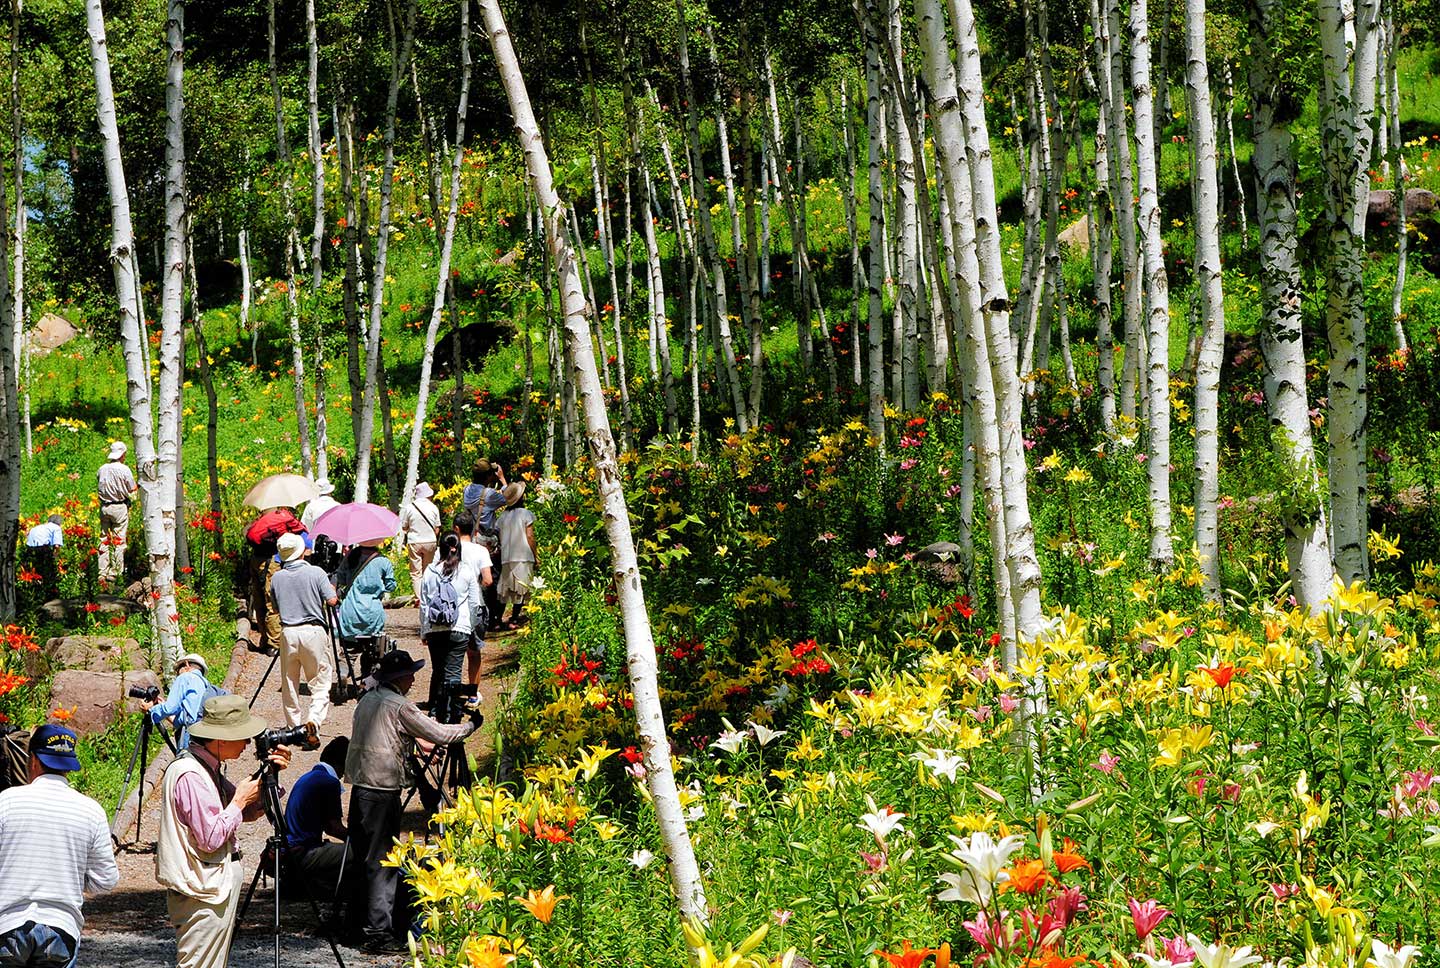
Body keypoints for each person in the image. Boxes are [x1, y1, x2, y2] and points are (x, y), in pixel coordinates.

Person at [345, 650, 476, 953]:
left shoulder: (368, 699)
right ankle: (378, 932)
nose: (414, 679)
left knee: (362, 856)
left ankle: (354, 924)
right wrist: (470, 726)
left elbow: (390, 738)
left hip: (361, 787)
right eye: (410, 674)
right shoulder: (398, 705)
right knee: (383, 861)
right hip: (381, 791)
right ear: (399, 678)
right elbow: (441, 734)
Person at [157, 696, 292, 968]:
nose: (246, 744)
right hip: (202, 892)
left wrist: (270, 777)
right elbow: (210, 838)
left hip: (209, 888)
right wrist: (240, 799)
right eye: (242, 736)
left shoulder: (206, 767)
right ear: (220, 739)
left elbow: (248, 814)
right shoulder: (191, 774)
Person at [0, 725, 118, 968]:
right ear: (69, 765)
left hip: (8, 925)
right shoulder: (90, 810)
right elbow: (106, 879)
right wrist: (71, 874)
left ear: (33, 760)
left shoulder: (6, 802)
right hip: (60, 925)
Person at [270, 533, 339, 729]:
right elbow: (331, 601)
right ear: (302, 552)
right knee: (320, 680)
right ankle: (313, 720)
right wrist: (332, 589)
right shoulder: (316, 573)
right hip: (313, 630)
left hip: (288, 632)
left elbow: (275, 609)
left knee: (289, 681)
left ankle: (293, 726)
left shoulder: (276, 578)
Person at [418, 534, 481, 718]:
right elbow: (474, 603)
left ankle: (437, 710)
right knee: (454, 672)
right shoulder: (466, 571)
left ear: (440, 548)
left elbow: (424, 604)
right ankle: (452, 712)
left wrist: (424, 630)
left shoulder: (429, 572)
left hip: (434, 629)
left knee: (438, 670)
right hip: (459, 628)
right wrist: (470, 627)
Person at [282, 737, 352, 903]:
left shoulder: (309, 776)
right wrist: (360, 838)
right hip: (303, 852)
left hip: (290, 850)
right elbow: (333, 828)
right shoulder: (329, 782)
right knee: (360, 853)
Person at [243, 505, 306, 654]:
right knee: (272, 601)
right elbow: (301, 531)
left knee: (259, 601)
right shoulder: (282, 517)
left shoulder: (260, 521)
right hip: (270, 563)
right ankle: (275, 644)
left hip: (256, 559)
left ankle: (265, 639)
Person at [335, 542, 397, 677]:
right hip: (372, 612)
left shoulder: (351, 556)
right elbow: (391, 585)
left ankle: (344, 673)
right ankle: (367, 681)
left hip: (350, 609)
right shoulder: (382, 561)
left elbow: (341, 579)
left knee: (348, 651)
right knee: (372, 651)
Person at [453, 511, 494, 687]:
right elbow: (488, 580)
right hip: (475, 604)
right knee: (474, 651)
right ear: (473, 530)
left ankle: (450, 693)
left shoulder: (449, 548)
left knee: (452, 654)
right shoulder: (481, 550)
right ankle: (473, 691)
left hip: (452, 605)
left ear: (455, 529)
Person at [145, 653, 218, 749]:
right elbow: (188, 717)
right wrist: (165, 712)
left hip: (190, 736)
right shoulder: (205, 685)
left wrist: (151, 710)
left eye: (178, 670)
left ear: (187, 665)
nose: (177, 674)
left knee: (186, 763)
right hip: (205, 736)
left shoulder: (185, 677)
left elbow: (170, 708)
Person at [96, 441, 137, 588]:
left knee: (104, 539)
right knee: (118, 541)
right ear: (122, 454)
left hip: (104, 507)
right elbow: (132, 488)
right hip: (119, 507)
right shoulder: (124, 469)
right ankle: (115, 573)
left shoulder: (102, 469)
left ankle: (102, 572)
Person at [496, 483, 537, 630]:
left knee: (505, 590)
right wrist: (536, 555)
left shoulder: (503, 517)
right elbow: (530, 536)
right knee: (521, 589)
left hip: (507, 556)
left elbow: (499, 536)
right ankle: (514, 618)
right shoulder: (526, 514)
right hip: (524, 555)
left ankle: (497, 620)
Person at [398, 482, 441, 600]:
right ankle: (429, 596)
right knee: (428, 569)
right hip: (430, 541)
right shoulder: (433, 507)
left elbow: (404, 527)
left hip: (414, 541)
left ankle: (419, 598)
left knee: (416, 572)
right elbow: (437, 528)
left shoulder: (409, 507)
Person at [22, 516, 64, 601]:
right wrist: (56, 557)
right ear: (59, 523)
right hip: (43, 549)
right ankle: (48, 594)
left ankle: (34, 592)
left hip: (29, 549)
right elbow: (57, 545)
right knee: (46, 572)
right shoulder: (56, 528)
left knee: (33, 572)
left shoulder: (39, 526)